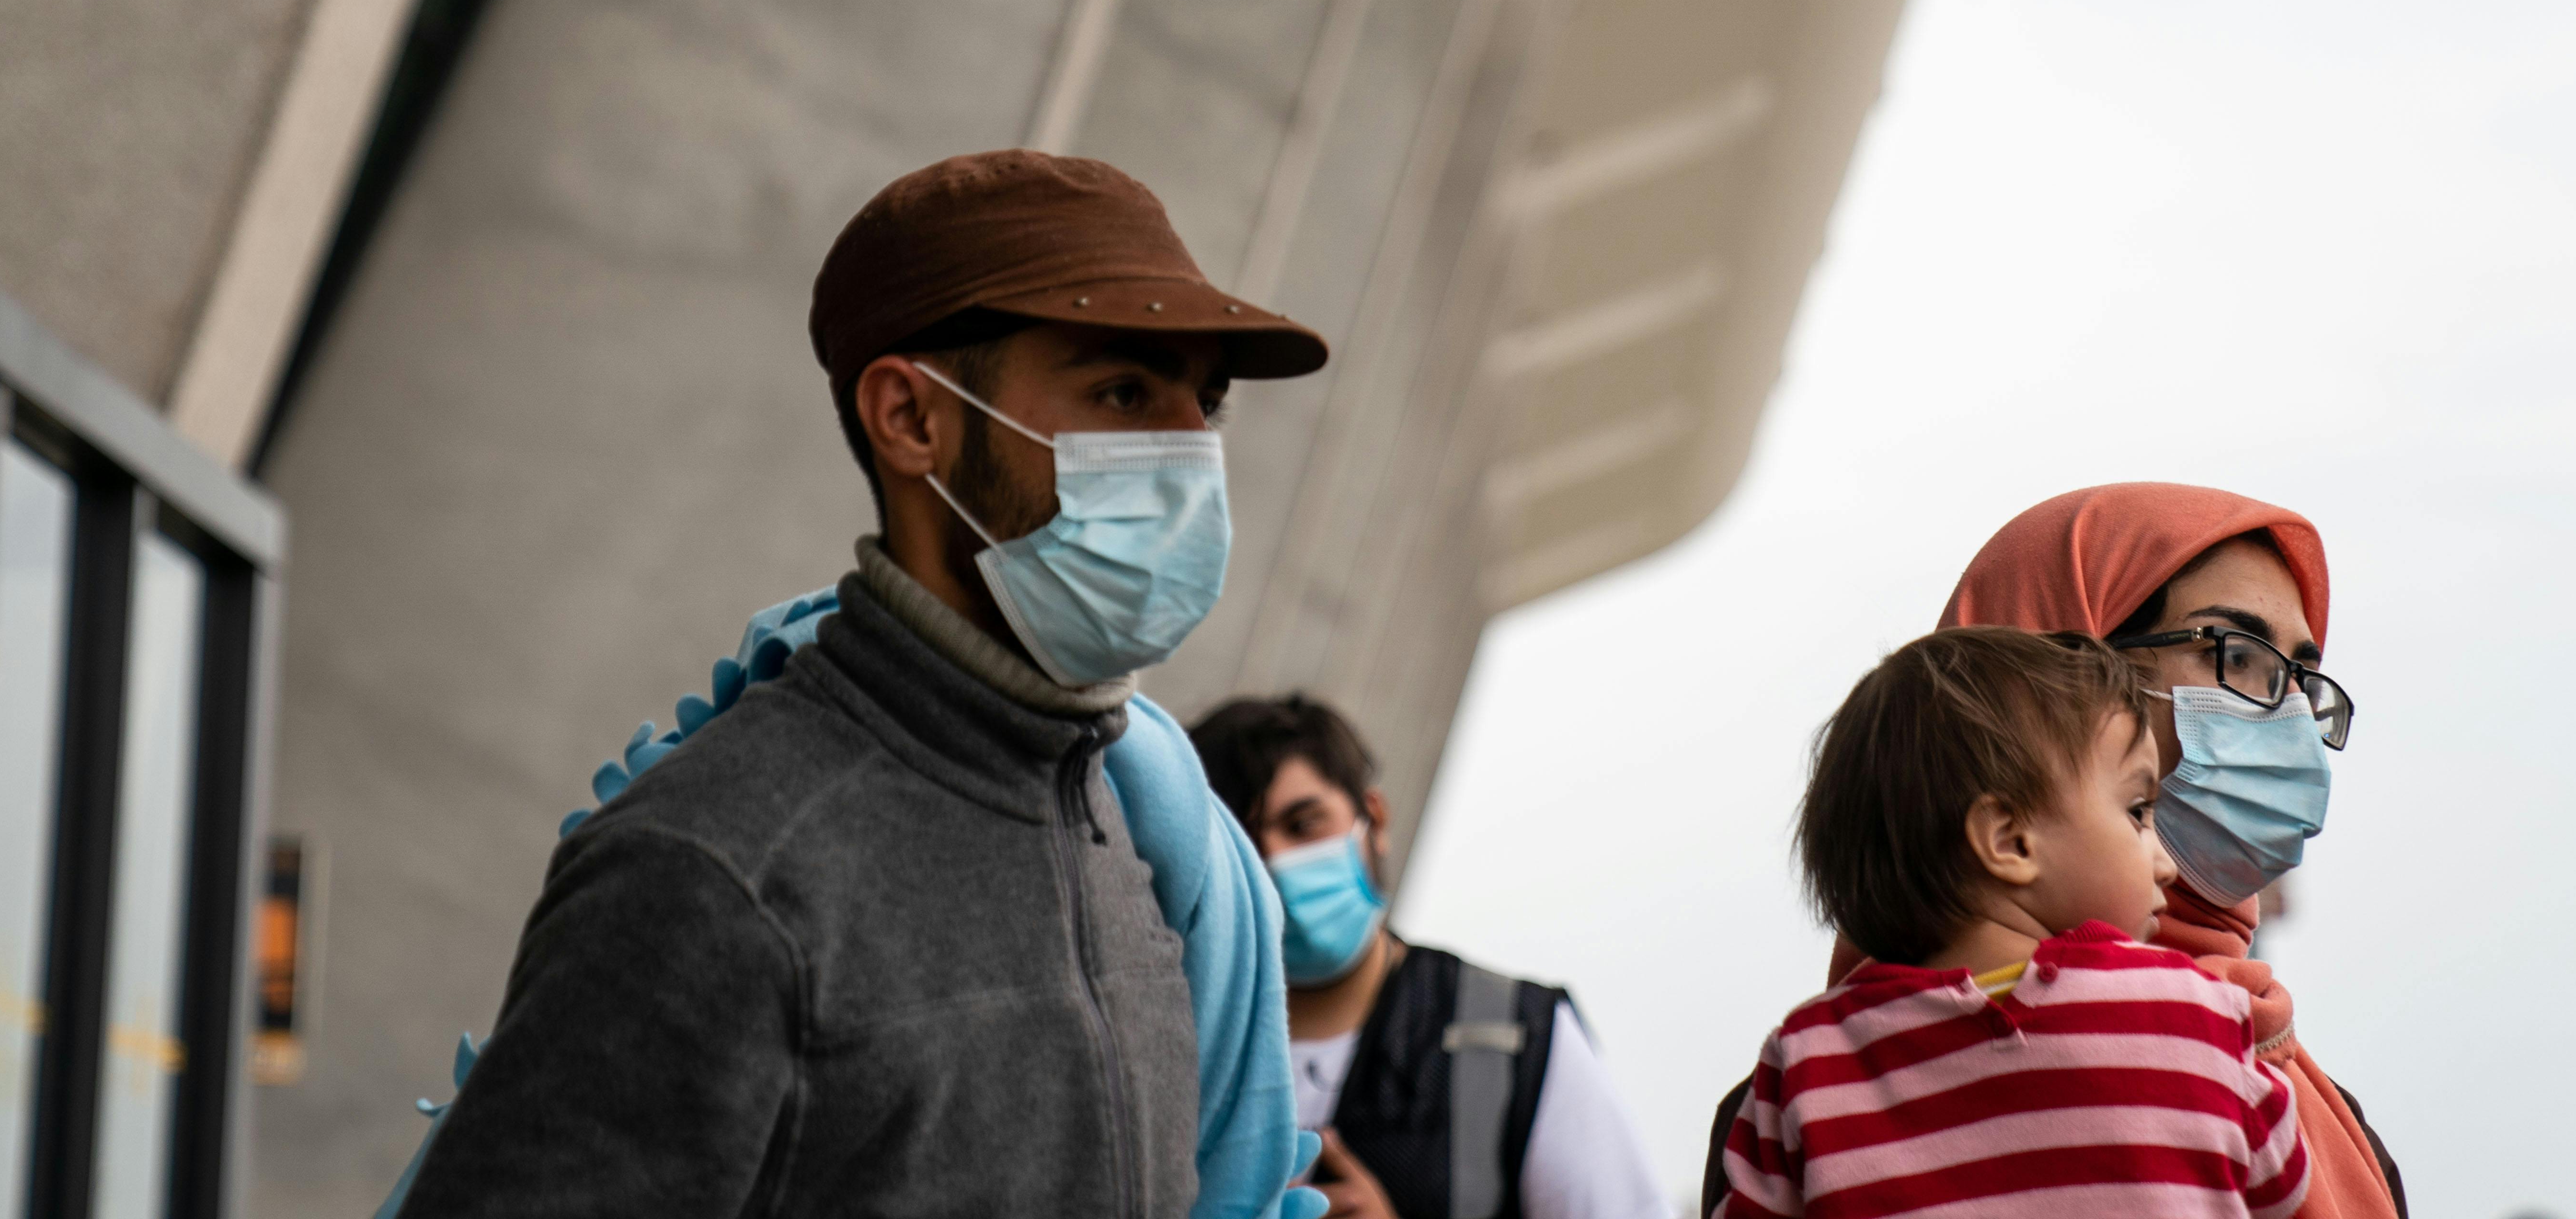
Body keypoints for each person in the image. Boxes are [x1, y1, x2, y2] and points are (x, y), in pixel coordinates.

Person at [395, 151, 1331, 1218]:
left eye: (1201, 403)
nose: (1188, 452)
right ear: (911, 418)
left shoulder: (1125, 852)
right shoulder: (722, 870)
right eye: (1122, 391)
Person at [1702, 483, 2406, 1219]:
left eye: (2300, 677)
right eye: (2237, 653)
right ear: (2064, 677)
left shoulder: (1811, 1091)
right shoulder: (1790, 1110)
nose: (2289, 713)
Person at [1715, 626, 2311, 1218]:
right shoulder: (2194, 1015)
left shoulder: (1804, 1068)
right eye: (2137, 811)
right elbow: (2285, 1184)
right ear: (2009, 841)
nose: (2163, 863)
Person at [1190, 694, 1674, 1219]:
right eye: (1246, 847)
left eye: (1304, 825)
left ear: (1373, 818)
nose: (1278, 866)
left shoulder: (1512, 1036)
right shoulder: (1166, 1040)